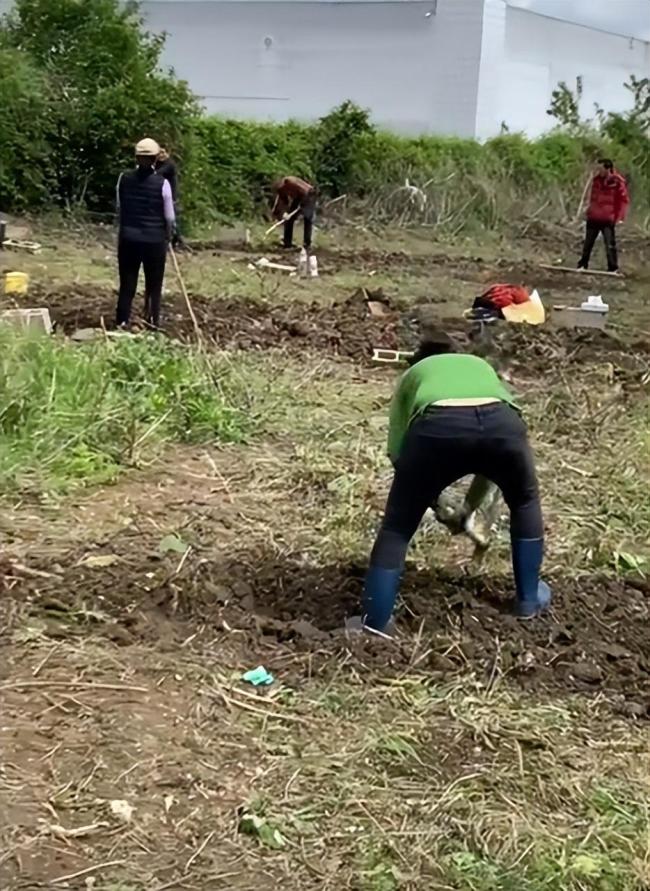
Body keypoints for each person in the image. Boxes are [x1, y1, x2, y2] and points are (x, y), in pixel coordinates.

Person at [360, 331, 550, 634]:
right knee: (524, 502)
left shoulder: (413, 374)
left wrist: (430, 499)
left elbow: (398, 451)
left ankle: (375, 622)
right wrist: (468, 508)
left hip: (438, 425)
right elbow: (489, 466)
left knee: (397, 528)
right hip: (504, 424)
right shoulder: (479, 366)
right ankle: (528, 601)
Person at [116, 138, 175, 330]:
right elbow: (169, 217)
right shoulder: (163, 183)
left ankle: (122, 321)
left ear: (136, 157)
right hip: (154, 240)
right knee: (154, 285)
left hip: (128, 239)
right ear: (156, 158)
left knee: (127, 283)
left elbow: (119, 209)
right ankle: (152, 322)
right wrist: (168, 235)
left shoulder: (123, 179)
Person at [577, 159, 629, 273]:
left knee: (610, 244)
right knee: (588, 243)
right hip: (594, 216)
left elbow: (623, 200)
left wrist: (620, 217)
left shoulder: (617, 182)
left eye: (600, 169)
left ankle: (612, 268)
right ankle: (582, 264)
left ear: (608, 169)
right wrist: (588, 210)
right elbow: (593, 197)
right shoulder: (596, 180)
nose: (598, 171)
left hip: (608, 218)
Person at [272, 176, 316, 250]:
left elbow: (305, 192)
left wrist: (301, 206)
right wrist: (284, 213)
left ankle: (307, 244)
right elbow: (283, 202)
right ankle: (287, 243)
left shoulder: (291, 182)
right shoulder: (281, 190)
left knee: (307, 217)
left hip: (308, 194)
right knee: (289, 219)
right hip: (298, 197)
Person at [155, 146, 182, 248]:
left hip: (171, 195)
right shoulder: (157, 164)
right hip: (161, 194)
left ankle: (177, 240)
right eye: (159, 153)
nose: (161, 155)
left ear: (167, 153)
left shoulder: (170, 164)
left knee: (172, 218)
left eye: (163, 152)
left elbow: (158, 173)